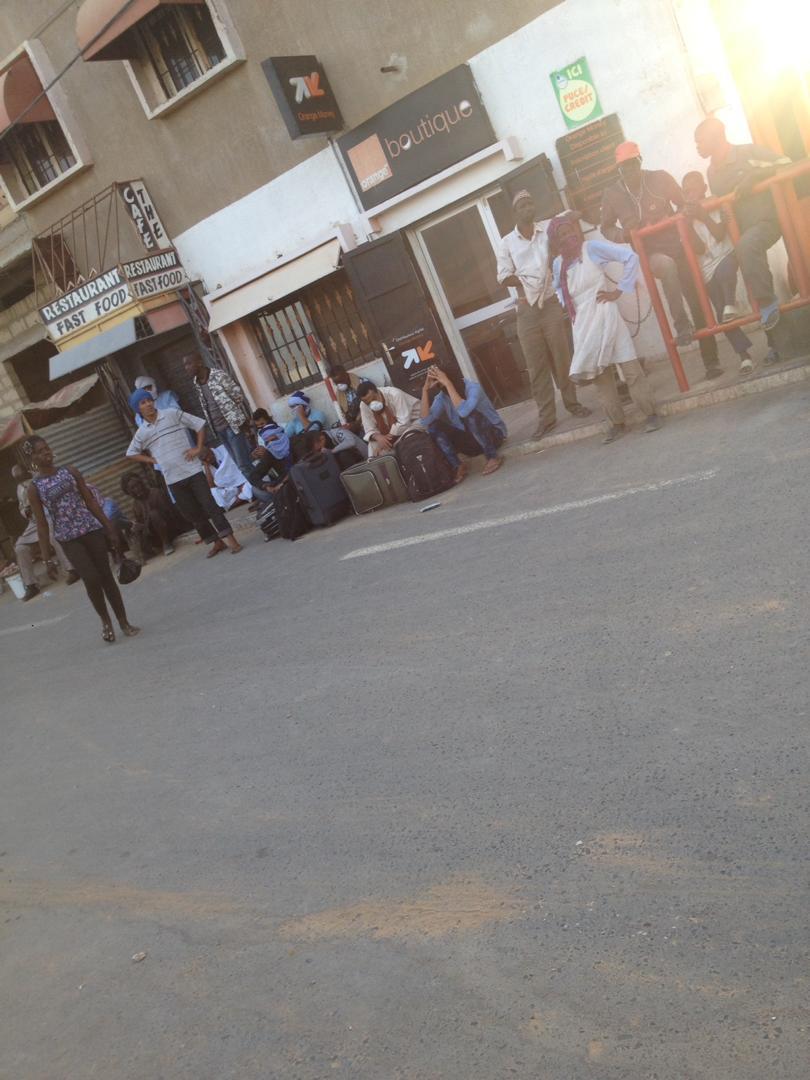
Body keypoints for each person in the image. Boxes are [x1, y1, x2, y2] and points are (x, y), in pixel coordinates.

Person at [600, 141, 723, 379]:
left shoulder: (660, 178)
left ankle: (711, 362)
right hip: (650, 254)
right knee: (666, 266)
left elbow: (683, 205)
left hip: (678, 246)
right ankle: (681, 325)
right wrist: (625, 235)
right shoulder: (612, 194)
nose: (629, 170)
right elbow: (605, 228)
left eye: (632, 164)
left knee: (697, 300)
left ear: (640, 161)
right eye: (624, 167)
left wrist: (671, 218)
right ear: (618, 170)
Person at [548, 212, 661, 444]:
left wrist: (618, 291)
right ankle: (617, 424)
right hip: (583, 324)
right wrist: (569, 306)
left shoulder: (591, 248)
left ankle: (651, 414)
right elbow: (559, 288)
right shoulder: (558, 263)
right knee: (601, 377)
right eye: (562, 235)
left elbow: (630, 257)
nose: (568, 236)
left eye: (570, 231)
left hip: (606, 314)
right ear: (555, 241)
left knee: (630, 368)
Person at [24, 436, 139, 643]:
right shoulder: (34, 488)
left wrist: (109, 527)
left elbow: (90, 501)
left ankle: (124, 622)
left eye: (46, 448)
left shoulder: (70, 471)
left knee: (106, 576)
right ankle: (105, 621)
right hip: (68, 538)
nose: (46, 452)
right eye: (40, 451)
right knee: (91, 578)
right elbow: (41, 524)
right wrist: (47, 558)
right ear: (33, 458)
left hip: (91, 529)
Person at [496, 189, 591, 438]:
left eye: (530, 204)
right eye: (522, 206)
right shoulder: (507, 242)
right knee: (536, 366)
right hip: (526, 310)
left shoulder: (547, 228)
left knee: (561, 357)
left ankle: (572, 404)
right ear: (515, 212)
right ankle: (547, 418)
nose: (528, 208)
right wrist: (528, 280)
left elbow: (567, 217)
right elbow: (503, 276)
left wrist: (578, 211)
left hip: (549, 304)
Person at [695, 116, 790, 333]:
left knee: (747, 247)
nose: (697, 147)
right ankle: (774, 341)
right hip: (741, 235)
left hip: (766, 222)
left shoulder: (747, 153)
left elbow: (787, 163)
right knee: (731, 266)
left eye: (700, 140)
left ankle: (767, 303)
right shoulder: (711, 171)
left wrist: (755, 176)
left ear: (715, 136)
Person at [125, 388, 242, 558]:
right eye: (143, 403)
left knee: (210, 506)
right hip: (172, 479)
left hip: (193, 471)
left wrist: (198, 448)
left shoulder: (171, 414)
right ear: (138, 408)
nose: (148, 404)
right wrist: (153, 460)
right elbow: (131, 453)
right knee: (192, 513)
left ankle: (232, 541)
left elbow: (199, 425)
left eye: (149, 400)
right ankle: (216, 542)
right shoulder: (143, 432)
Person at [682, 171, 755, 373]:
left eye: (694, 189)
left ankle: (731, 303)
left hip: (726, 255)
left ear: (704, 189)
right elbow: (699, 249)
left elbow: (720, 235)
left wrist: (703, 216)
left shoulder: (713, 203)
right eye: (686, 192)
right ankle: (744, 356)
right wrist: (688, 225)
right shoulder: (684, 217)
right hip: (707, 270)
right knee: (723, 316)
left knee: (725, 272)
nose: (690, 195)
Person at [420, 365, 506, 480]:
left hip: (495, 436)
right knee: (433, 427)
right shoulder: (442, 397)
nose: (442, 387)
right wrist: (425, 390)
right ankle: (458, 465)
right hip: (472, 443)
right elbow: (425, 421)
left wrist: (448, 384)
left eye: (442, 381)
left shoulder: (473, 388)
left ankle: (492, 456)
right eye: (440, 384)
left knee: (470, 416)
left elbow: (464, 411)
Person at [12, 462, 77, 600]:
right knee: (20, 548)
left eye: (21, 476)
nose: (20, 480)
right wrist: (26, 512)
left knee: (54, 536)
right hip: (34, 522)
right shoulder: (19, 488)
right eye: (17, 478)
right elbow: (21, 507)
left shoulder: (39, 479)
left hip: (50, 516)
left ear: (26, 472)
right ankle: (31, 584)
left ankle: (72, 569)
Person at [183, 351, 255, 476]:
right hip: (218, 430)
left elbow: (237, 395)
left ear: (199, 363)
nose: (186, 368)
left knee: (243, 465)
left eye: (189, 363)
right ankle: (263, 484)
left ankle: (263, 487)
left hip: (232, 426)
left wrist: (232, 415)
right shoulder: (196, 382)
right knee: (240, 464)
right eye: (185, 365)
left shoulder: (218, 375)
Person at [120, 471, 177, 560]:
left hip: (170, 530)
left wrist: (145, 525)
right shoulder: (135, 505)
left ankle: (167, 544)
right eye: (133, 488)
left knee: (154, 514)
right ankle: (146, 553)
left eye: (138, 484)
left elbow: (170, 515)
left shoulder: (156, 493)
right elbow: (142, 524)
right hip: (153, 536)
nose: (137, 488)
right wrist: (138, 527)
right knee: (131, 528)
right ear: (129, 492)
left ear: (142, 483)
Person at [357, 381, 421, 457]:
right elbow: (369, 429)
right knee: (372, 445)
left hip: (414, 422)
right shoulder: (363, 405)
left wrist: (385, 441)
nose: (373, 404)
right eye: (368, 403)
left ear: (377, 391)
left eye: (374, 399)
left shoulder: (395, 394)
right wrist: (378, 437)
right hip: (390, 432)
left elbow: (404, 423)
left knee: (408, 436)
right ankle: (377, 462)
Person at [201, 446, 252, 510]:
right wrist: (206, 466)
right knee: (216, 493)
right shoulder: (206, 466)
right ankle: (241, 498)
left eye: (207, 456)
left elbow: (239, 468)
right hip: (231, 488)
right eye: (204, 459)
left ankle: (238, 500)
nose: (208, 459)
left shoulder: (224, 449)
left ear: (210, 450)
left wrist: (241, 484)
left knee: (250, 483)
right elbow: (212, 486)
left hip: (243, 480)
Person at [330, 365, 363, 433]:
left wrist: (357, 422)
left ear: (346, 375)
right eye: (336, 383)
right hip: (351, 419)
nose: (339, 384)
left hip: (363, 415)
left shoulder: (361, 383)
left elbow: (369, 405)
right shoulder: (339, 393)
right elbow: (342, 412)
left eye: (340, 381)